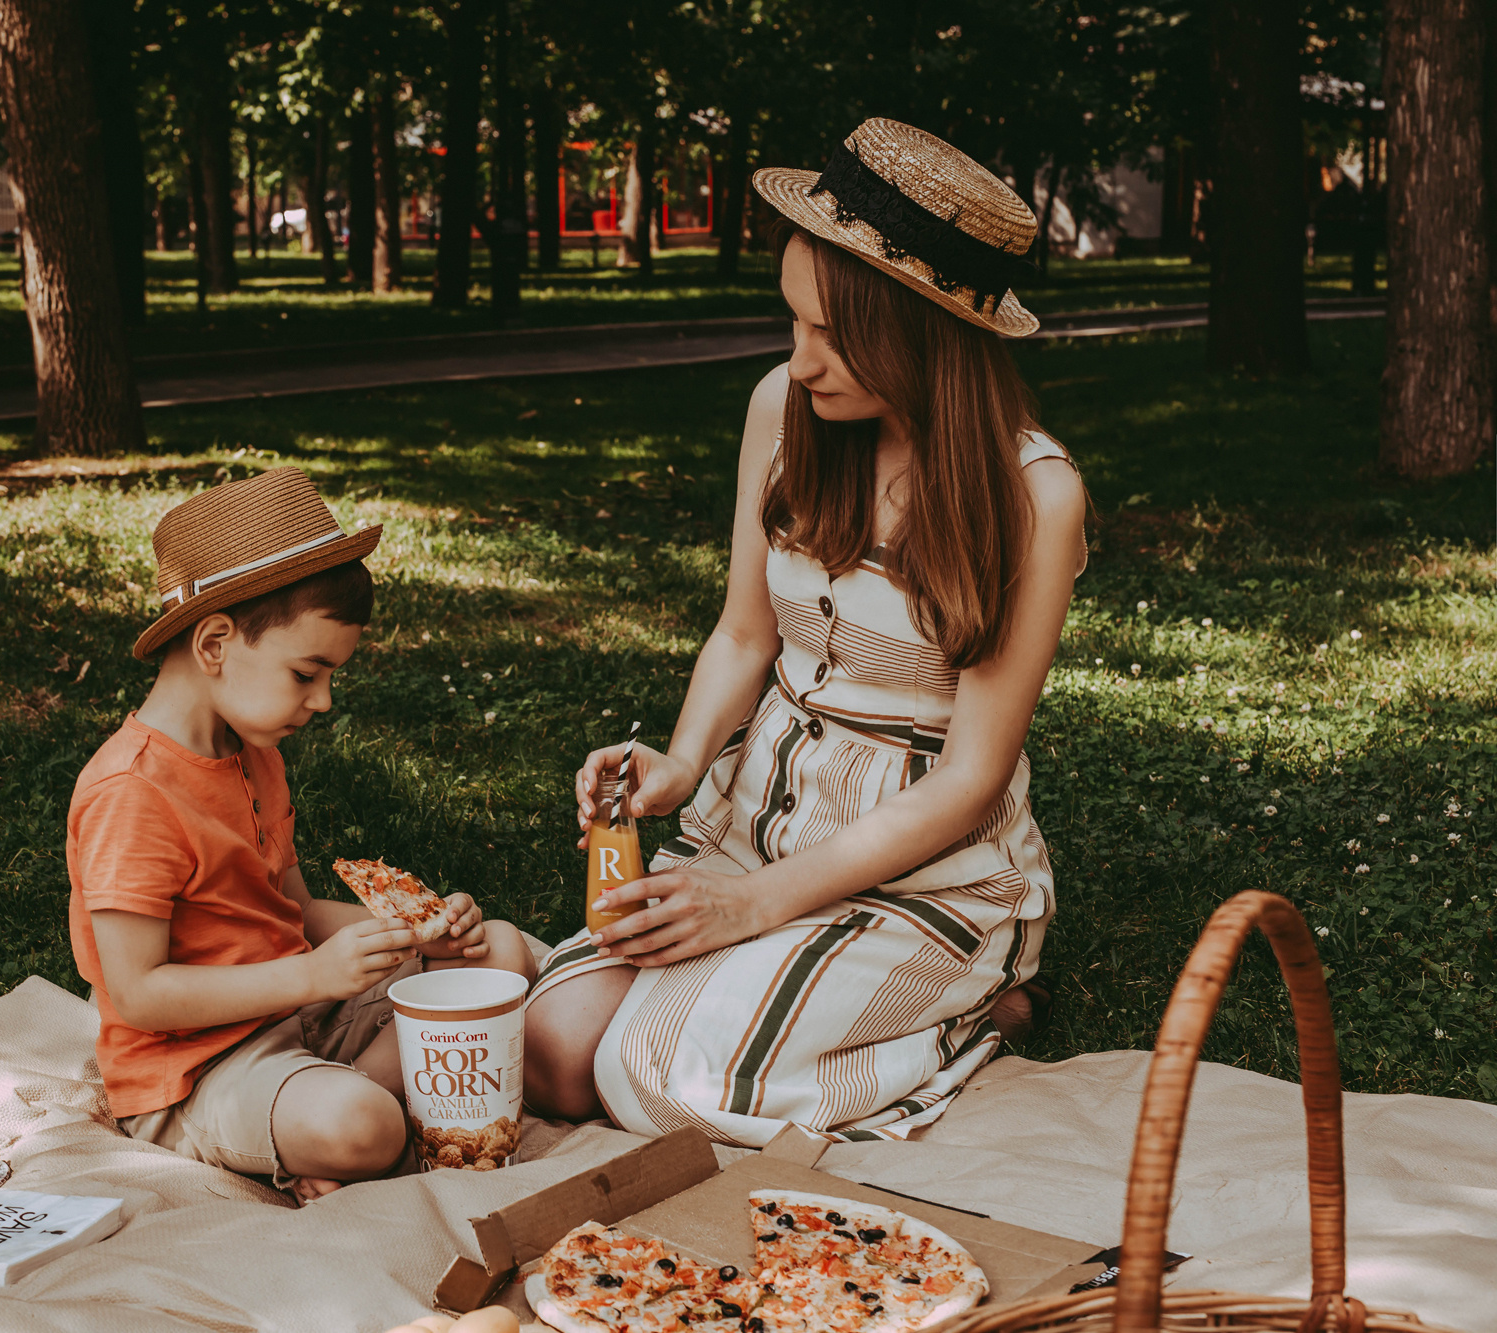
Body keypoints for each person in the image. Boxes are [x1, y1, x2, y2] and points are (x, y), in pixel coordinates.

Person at [522, 119, 1088, 1147]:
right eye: (793, 322)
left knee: (650, 1079)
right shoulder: (781, 408)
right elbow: (744, 635)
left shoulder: (1033, 494)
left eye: (831, 335)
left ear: (921, 334)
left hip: (925, 867)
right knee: (555, 1051)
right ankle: (784, 996)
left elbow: (970, 780)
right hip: (758, 818)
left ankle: (979, 1006)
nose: (801, 360)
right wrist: (680, 763)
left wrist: (753, 907)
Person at [68, 467, 536, 1200]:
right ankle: (338, 1120)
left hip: (301, 1016)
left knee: (498, 952)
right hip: (200, 1067)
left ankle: (324, 1110)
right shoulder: (132, 793)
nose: (323, 700)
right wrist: (313, 976)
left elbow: (295, 909)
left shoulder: (254, 754)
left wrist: (418, 936)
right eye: (306, 672)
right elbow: (139, 995)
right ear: (215, 643)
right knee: (362, 1125)